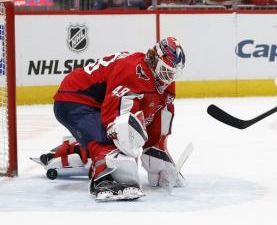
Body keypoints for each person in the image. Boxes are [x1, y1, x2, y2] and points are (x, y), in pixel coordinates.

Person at [41, 37, 186, 200]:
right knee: (114, 136)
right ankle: (105, 176)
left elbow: (159, 118)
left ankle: (76, 149)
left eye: (173, 73)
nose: (169, 78)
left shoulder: (162, 80)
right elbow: (114, 118)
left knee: (120, 132)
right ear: (154, 59)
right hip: (74, 99)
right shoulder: (134, 72)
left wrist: (157, 150)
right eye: (166, 71)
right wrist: (126, 156)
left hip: (98, 102)